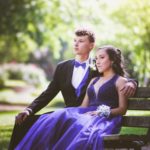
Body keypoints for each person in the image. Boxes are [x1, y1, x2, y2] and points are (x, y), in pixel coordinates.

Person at [9, 27, 137, 149]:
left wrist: (132, 83)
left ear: (91, 45)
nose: (76, 44)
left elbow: (115, 78)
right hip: (71, 114)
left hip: (87, 118)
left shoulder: (99, 66)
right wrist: (29, 109)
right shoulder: (62, 67)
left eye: (81, 41)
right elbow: (48, 93)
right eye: (74, 41)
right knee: (26, 123)